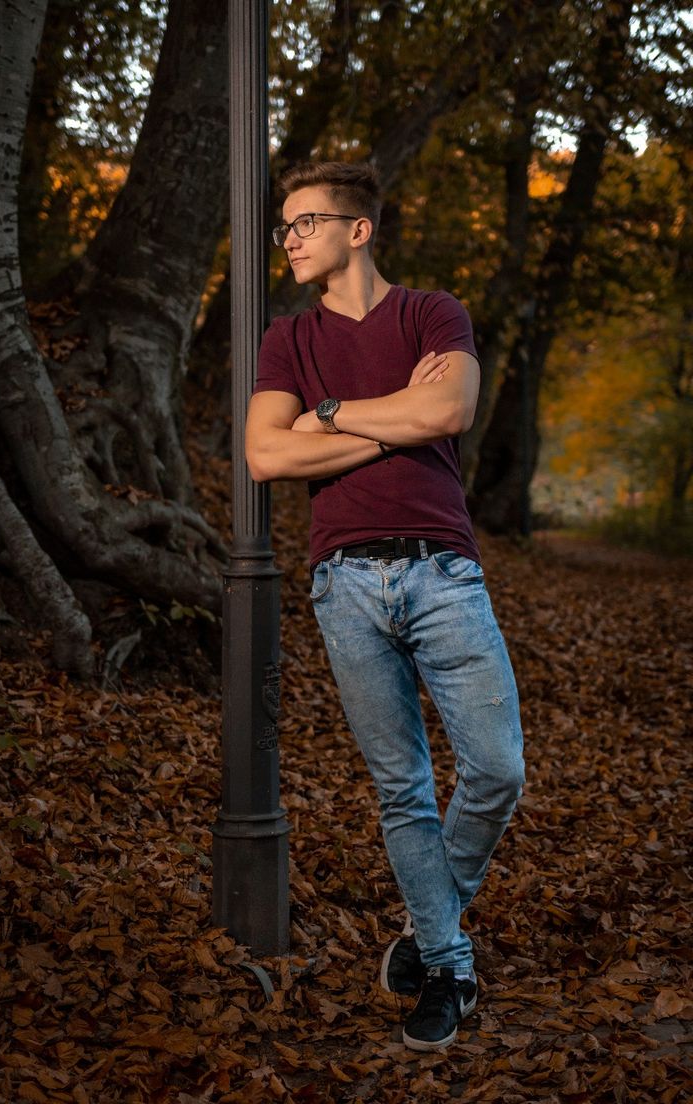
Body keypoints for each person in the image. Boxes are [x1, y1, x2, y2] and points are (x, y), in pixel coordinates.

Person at [246, 161, 525, 1051]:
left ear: (357, 230)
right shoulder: (287, 337)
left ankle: (427, 924)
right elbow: (264, 458)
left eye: (303, 223)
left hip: (444, 570)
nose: (287, 238)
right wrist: (387, 412)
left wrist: (323, 419)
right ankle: (447, 964)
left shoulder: (432, 313)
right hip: (345, 583)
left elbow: (449, 412)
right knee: (402, 791)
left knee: (497, 769)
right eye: (283, 226)